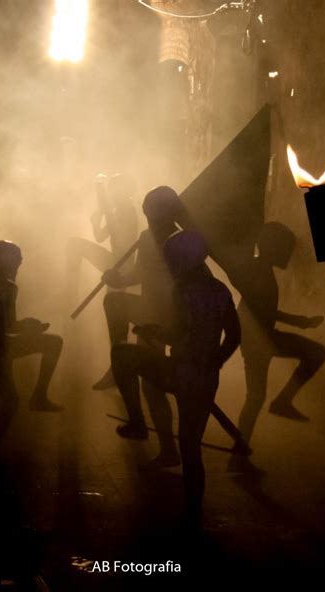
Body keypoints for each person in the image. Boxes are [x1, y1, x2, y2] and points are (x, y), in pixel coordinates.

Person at [111, 230, 241, 527]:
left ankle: (137, 422)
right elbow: (233, 336)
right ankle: (194, 514)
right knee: (190, 447)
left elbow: (178, 333)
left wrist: (152, 332)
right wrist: (214, 363)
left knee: (121, 354)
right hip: (206, 378)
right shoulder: (220, 290)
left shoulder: (181, 289)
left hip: (180, 372)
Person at [94, 186, 184, 467]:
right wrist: (118, 280)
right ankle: (120, 368)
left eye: (156, 217)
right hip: (150, 312)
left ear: (170, 215)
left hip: (175, 318)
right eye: (149, 217)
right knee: (115, 303)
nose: (151, 223)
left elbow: (191, 287)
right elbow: (140, 273)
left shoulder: (183, 242)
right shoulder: (146, 238)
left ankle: (169, 447)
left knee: (152, 384)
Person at [234, 222, 325, 448]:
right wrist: (302, 322)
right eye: (286, 248)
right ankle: (282, 402)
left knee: (255, 398)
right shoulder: (259, 272)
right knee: (316, 353)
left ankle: (239, 449)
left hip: (259, 339)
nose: (288, 254)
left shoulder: (259, 269)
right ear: (273, 248)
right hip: (260, 340)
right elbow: (260, 310)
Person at [0, 240, 64, 458]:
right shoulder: (6, 287)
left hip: (0, 344)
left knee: (53, 342)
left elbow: (8, 326)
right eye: (17, 257)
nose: (21, 261)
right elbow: (8, 326)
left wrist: (29, 326)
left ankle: (39, 396)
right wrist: (30, 327)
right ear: (5, 261)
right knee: (11, 402)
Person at [65, 172, 139, 303]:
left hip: (121, 265)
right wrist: (96, 221)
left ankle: (70, 295)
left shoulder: (126, 210)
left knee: (114, 301)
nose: (111, 196)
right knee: (114, 301)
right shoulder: (122, 210)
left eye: (113, 192)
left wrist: (101, 216)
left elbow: (106, 235)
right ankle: (70, 294)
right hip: (116, 261)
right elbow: (100, 236)